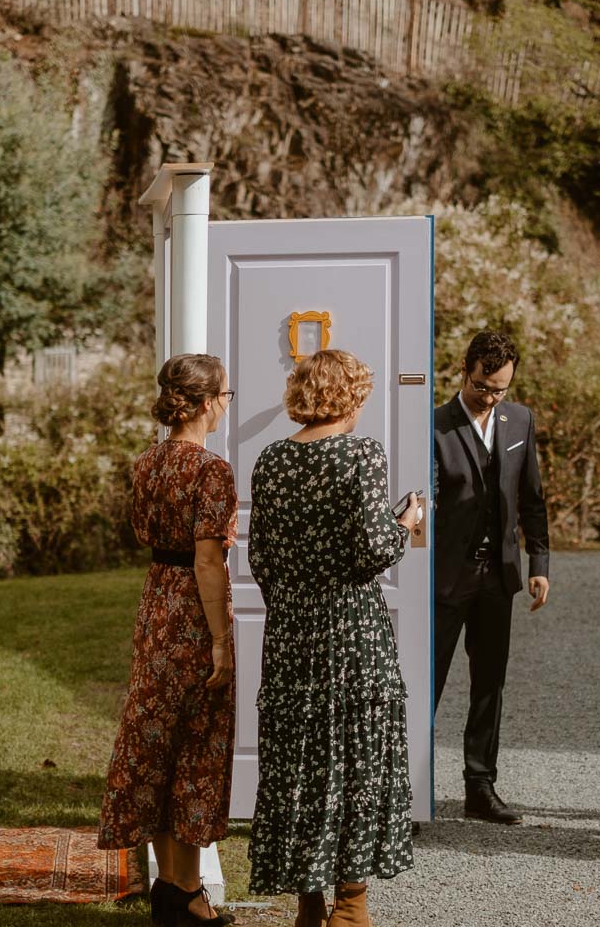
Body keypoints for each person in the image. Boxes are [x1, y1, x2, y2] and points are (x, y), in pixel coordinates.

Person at [247, 349, 421, 927]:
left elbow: (261, 558)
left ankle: (308, 907)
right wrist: (406, 524)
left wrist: (295, 606)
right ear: (352, 397)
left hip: (292, 632)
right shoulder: (360, 454)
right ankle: (351, 908)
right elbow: (374, 549)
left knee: (300, 763)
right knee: (354, 758)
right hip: (351, 633)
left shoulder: (271, 459)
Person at [98, 353, 238, 927]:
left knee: (156, 745)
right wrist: (222, 640)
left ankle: (169, 888)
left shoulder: (146, 463)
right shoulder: (211, 470)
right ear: (206, 404)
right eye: (225, 397)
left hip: (155, 603)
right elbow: (208, 560)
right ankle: (186, 893)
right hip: (189, 613)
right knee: (195, 751)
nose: (226, 406)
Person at [431, 329, 550, 825]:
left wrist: (539, 564)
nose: (492, 397)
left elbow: (532, 498)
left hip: (498, 576)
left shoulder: (519, 419)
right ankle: (410, 791)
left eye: (501, 388)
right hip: (444, 579)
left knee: (489, 686)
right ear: (466, 371)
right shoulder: (433, 425)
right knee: (427, 682)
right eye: (484, 386)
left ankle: (481, 787)